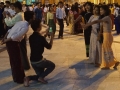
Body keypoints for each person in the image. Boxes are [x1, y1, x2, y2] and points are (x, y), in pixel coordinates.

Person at [1, 11, 35, 83]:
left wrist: (4, 38)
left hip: (10, 42)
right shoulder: (26, 27)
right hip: (12, 43)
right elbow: (16, 36)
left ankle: (18, 77)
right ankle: (19, 78)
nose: (34, 18)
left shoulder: (20, 22)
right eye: (34, 16)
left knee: (14, 60)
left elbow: (9, 30)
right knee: (17, 61)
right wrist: (5, 40)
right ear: (31, 18)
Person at [83, 5, 119, 70]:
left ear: (105, 10)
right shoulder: (105, 17)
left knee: (107, 51)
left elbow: (96, 21)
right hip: (106, 35)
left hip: (107, 35)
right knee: (107, 50)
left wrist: (87, 24)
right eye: (100, 10)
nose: (100, 11)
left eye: (102, 10)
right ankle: (114, 62)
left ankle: (108, 65)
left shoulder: (107, 17)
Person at [24, 19, 55, 87]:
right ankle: (40, 77)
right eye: (40, 25)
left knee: (40, 74)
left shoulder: (31, 37)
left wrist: (46, 35)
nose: (41, 26)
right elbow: (49, 47)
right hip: (39, 61)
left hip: (32, 61)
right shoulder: (41, 38)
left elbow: (38, 41)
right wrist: (52, 36)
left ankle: (28, 78)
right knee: (52, 65)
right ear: (39, 28)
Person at [4, 1, 30, 70]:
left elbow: (10, 23)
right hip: (21, 34)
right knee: (22, 50)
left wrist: (5, 17)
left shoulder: (19, 15)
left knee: (22, 50)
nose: (13, 9)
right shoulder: (21, 14)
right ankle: (25, 64)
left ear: (17, 8)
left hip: (19, 34)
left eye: (14, 8)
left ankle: (25, 65)